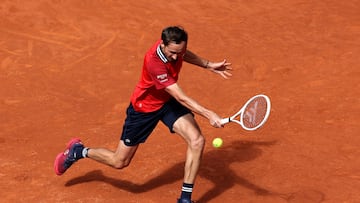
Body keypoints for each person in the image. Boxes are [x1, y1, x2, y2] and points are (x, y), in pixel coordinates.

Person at [54, 26, 232, 203]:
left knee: (197, 140)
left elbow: (184, 54)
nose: (176, 57)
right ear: (162, 45)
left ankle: (185, 199)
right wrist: (209, 114)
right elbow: (180, 97)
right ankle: (79, 151)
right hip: (144, 109)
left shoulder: (175, 48)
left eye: (180, 51)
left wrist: (208, 64)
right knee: (119, 161)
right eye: (172, 53)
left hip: (166, 102)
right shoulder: (154, 62)